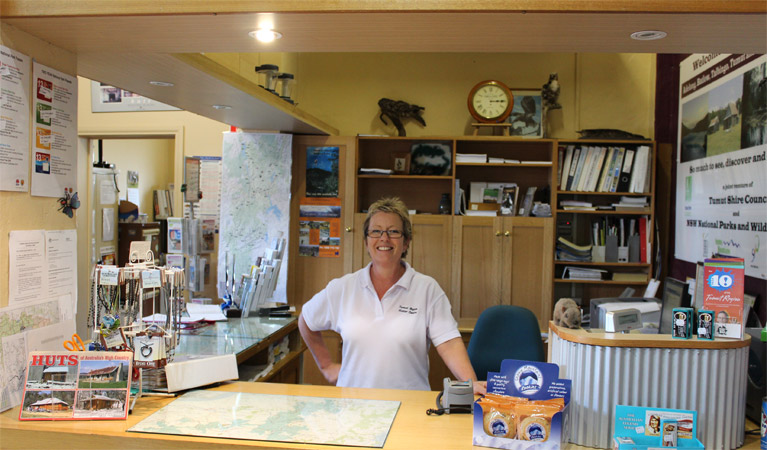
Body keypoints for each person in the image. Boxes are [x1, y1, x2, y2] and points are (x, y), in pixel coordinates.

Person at [299, 197, 486, 394]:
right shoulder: (343, 288)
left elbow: (448, 343)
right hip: (352, 407)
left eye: (393, 231)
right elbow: (306, 320)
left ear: (406, 242)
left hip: (409, 406)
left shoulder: (427, 289)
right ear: (366, 241)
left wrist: (470, 382)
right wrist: (327, 366)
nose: (384, 238)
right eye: (376, 231)